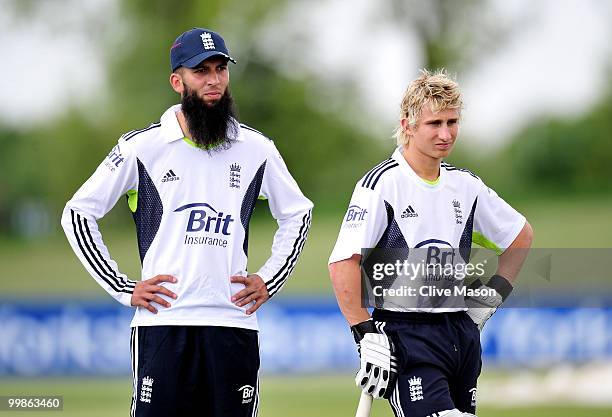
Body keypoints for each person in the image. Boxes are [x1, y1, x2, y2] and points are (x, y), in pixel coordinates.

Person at [61, 27, 313, 417]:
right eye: (201, 71)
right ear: (177, 81)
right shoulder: (141, 148)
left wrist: (270, 278)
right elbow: (78, 213)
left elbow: (298, 213)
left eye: (220, 69)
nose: (214, 80)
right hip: (163, 325)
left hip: (233, 324)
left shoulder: (257, 148)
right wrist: (122, 287)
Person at [328, 69, 533, 417]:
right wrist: (364, 331)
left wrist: (490, 298)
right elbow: (342, 263)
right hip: (406, 334)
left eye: (452, 122)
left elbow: (520, 236)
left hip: (461, 334)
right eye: (434, 123)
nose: (445, 133)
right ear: (407, 125)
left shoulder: (466, 185)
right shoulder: (382, 184)